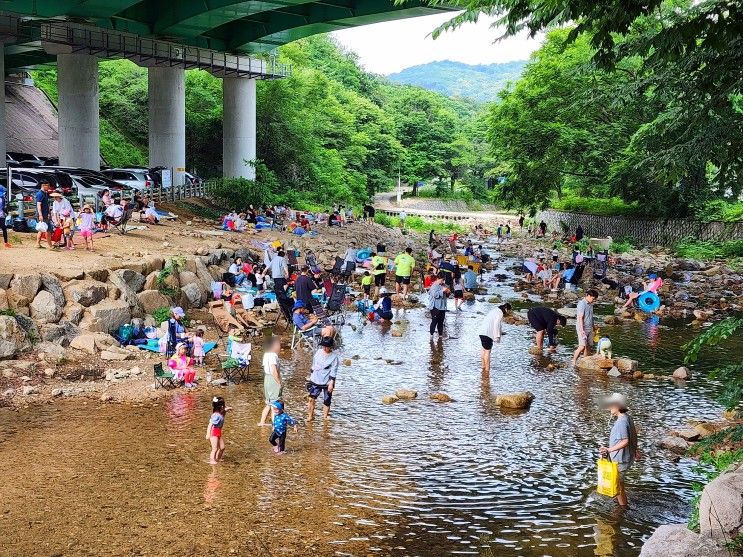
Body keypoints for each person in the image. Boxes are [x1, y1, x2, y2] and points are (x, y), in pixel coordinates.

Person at [599, 393, 639, 507]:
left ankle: (622, 509)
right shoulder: (627, 417)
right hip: (626, 457)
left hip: (621, 459)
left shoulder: (621, 422)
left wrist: (609, 449)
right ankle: (622, 504)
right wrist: (636, 450)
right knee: (619, 484)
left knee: (617, 485)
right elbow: (633, 434)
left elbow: (625, 441)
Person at [307, 336, 339, 421]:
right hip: (315, 379)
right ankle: (310, 416)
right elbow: (314, 364)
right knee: (311, 399)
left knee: (327, 400)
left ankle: (324, 417)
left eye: (327, 347)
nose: (325, 348)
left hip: (327, 381)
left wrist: (331, 383)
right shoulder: (318, 352)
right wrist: (312, 371)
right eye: (323, 346)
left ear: (331, 347)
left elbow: (333, 371)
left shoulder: (334, 357)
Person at [479, 303, 512, 372]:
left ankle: (483, 367)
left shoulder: (494, 310)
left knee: (483, 349)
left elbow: (497, 324)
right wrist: (497, 336)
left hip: (481, 331)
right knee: (488, 351)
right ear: (505, 309)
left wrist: (500, 332)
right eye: (509, 311)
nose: (508, 313)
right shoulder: (500, 313)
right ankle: (487, 371)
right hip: (488, 333)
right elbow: (496, 324)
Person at [259, 336, 283, 426]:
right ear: (274, 345)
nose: (280, 346)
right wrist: (279, 382)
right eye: (278, 344)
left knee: (268, 403)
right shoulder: (273, 355)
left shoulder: (266, 354)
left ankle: (262, 422)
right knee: (275, 405)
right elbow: (274, 370)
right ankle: (275, 425)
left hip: (267, 379)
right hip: (273, 379)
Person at [572, 289, 599, 366]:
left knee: (589, 345)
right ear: (588, 296)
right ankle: (573, 361)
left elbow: (591, 317)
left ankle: (585, 360)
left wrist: (593, 327)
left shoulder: (591, 304)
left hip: (589, 327)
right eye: (593, 299)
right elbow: (580, 317)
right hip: (582, 328)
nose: (594, 300)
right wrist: (581, 330)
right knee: (582, 346)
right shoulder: (582, 304)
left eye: (595, 299)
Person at [206, 396, 231, 464]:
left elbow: (223, 414)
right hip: (213, 432)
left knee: (222, 448)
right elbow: (210, 424)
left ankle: (217, 458)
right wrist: (208, 434)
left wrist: (227, 409)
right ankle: (212, 461)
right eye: (224, 405)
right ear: (221, 406)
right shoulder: (216, 415)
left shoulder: (220, 413)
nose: (224, 406)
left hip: (218, 432)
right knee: (214, 449)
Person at [428, 275, 450, 340]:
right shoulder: (434, 286)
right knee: (434, 321)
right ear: (437, 278)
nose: (442, 282)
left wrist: (448, 292)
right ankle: (431, 336)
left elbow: (446, 295)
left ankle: (440, 336)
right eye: (441, 280)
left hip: (442, 306)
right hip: (435, 307)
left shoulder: (443, 285)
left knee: (441, 322)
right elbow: (434, 295)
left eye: (443, 280)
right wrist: (442, 291)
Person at [35, 182, 53, 249]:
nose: (48, 187)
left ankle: (37, 244)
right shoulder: (40, 194)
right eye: (47, 186)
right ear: (43, 185)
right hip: (42, 214)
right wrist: (40, 215)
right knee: (48, 229)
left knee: (41, 228)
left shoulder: (45, 193)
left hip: (45, 214)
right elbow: (38, 205)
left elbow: (47, 204)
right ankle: (50, 246)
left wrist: (49, 212)